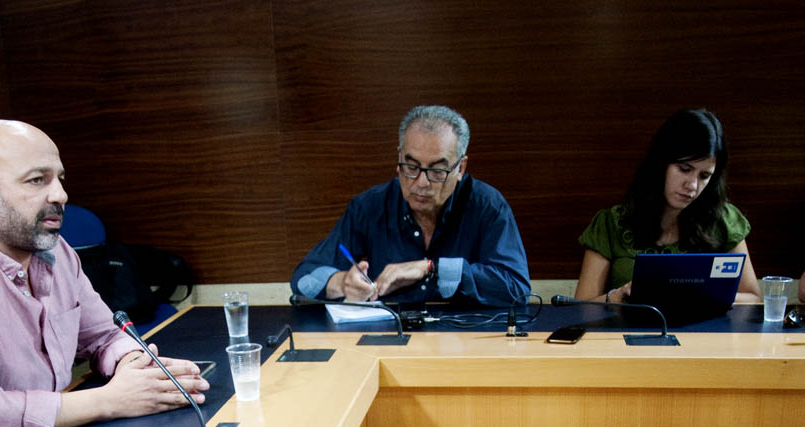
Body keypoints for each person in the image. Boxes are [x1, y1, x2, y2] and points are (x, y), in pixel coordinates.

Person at [0, 120, 208, 427]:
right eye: (37, 180)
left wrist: (134, 367)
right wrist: (110, 400)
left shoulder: (55, 250)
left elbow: (104, 335)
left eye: (59, 179)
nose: (60, 194)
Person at [290, 105, 530, 306]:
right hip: (389, 338)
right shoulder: (370, 206)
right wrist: (343, 283)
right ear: (399, 159)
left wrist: (431, 267)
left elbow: (517, 288)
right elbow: (304, 278)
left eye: (437, 170)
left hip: (464, 342)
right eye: (411, 167)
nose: (421, 183)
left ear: (460, 168)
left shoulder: (487, 206)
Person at [574, 108, 760, 304]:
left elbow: (753, 299)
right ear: (660, 163)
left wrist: (694, 294)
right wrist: (619, 296)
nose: (693, 185)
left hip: (703, 332)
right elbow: (580, 307)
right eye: (684, 169)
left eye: (704, 176)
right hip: (626, 331)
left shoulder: (723, 219)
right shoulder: (611, 223)